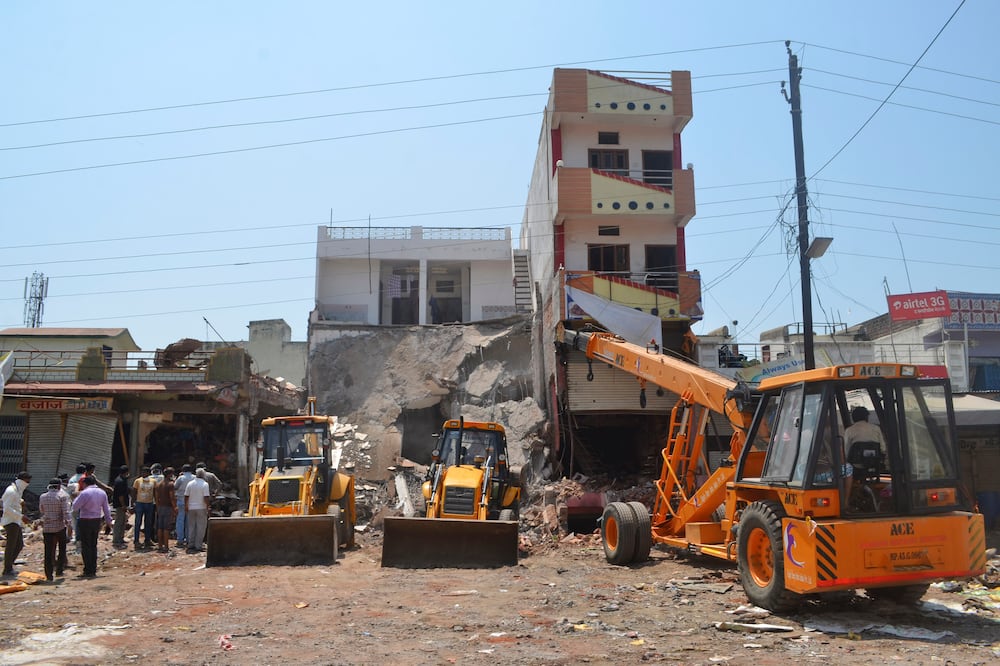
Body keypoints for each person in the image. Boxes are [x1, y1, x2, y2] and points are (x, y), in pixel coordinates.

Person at [71, 475, 112, 578]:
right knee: (93, 545)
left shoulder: (84, 493)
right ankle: (93, 569)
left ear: (85, 483)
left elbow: (75, 507)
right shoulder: (102, 493)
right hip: (96, 520)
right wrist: (108, 522)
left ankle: (87, 570)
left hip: (85, 520)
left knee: (86, 546)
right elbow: (107, 509)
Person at [39, 478, 73, 581]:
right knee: (62, 548)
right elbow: (65, 511)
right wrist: (69, 523)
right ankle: (59, 570)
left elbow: (41, 509)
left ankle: (49, 574)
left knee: (48, 551)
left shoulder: (43, 496)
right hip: (59, 526)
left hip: (47, 527)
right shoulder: (62, 496)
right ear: (59, 486)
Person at [2, 471, 32, 577]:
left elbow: (15, 500)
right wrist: (21, 517)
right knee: (11, 546)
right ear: (23, 480)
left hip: (15, 521)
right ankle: (7, 569)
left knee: (19, 545)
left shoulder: (16, 490)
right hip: (10, 521)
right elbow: (6, 508)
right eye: (27, 480)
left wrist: (21, 501)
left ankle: (9, 566)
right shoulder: (11, 491)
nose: (28, 483)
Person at [184, 468, 211, 553]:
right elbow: (206, 497)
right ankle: (198, 545)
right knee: (201, 527)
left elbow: (186, 496)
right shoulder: (205, 484)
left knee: (191, 526)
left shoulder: (190, 484)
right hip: (201, 507)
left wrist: (186, 505)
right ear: (203, 475)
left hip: (191, 507)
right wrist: (208, 507)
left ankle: (191, 544)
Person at [131, 466, 156, 550]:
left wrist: (156, 503)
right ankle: (136, 541)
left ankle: (147, 540)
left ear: (149, 473)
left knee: (148, 523)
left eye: (145, 472)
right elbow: (134, 492)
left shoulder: (153, 481)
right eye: (142, 472)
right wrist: (133, 503)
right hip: (139, 503)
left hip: (149, 503)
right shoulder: (137, 481)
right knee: (138, 522)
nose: (143, 473)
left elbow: (155, 492)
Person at [153, 467, 176, 553]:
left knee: (160, 527)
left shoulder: (159, 484)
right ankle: (166, 546)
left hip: (160, 507)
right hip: (168, 507)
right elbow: (172, 497)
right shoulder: (170, 484)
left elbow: (156, 497)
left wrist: (158, 507)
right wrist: (175, 507)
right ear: (170, 474)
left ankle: (160, 546)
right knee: (166, 527)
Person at [173, 464, 194, 548]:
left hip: (181, 500)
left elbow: (175, 487)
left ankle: (180, 539)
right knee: (189, 521)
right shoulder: (194, 477)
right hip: (190, 501)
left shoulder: (181, 478)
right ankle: (188, 539)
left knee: (180, 520)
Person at [111, 466, 131, 549]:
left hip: (122, 504)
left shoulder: (122, 480)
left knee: (122, 521)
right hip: (120, 505)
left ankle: (120, 538)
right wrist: (123, 505)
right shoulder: (120, 481)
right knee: (119, 522)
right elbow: (121, 495)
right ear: (126, 472)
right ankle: (116, 540)